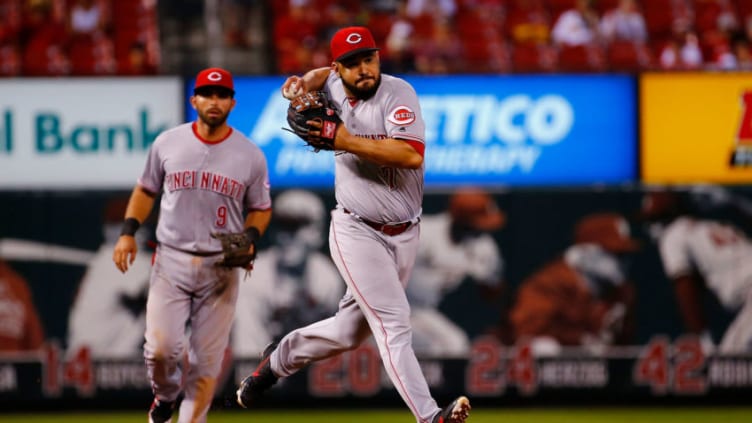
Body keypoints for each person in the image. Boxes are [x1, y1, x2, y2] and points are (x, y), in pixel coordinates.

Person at [236, 26, 471, 423]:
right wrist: (297, 83)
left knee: (349, 332)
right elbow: (313, 79)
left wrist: (341, 138)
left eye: (368, 58)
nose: (362, 69)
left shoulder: (399, 93)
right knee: (394, 323)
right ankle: (431, 417)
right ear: (338, 69)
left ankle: (277, 361)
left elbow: (410, 155)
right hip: (355, 230)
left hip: (405, 232)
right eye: (351, 63)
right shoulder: (331, 82)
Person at [112, 67, 272, 423]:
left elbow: (261, 209)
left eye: (221, 95)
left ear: (232, 102)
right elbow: (145, 190)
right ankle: (166, 397)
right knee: (160, 352)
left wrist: (250, 238)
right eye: (207, 94)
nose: (214, 101)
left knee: (206, 364)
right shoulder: (168, 142)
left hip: (222, 266)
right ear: (193, 99)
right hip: (171, 260)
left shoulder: (250, 154)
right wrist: (127, 232)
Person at [639, 187, 752, 353]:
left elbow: (685, 288)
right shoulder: (712, 225)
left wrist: (702, 339)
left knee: (727, 369)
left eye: (653, 219)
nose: (650, 227)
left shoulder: (673, 235)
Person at [232, 189, 343, 357]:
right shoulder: (252, 276)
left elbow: (332, 346)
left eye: (299, 226)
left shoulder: (327, 279)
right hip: (264, 369)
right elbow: (249, 354)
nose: (289, 236)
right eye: (284, 226)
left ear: (318, 233)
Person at [509, 213, 638, 355]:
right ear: (586, 252)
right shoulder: (548, 283)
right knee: (544, 348)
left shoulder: (622, 292)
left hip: (596, 368)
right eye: (615, 253)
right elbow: (526, 333)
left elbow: (622, 347)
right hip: (552, 368)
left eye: (624, 255)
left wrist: (614, 333)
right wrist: (581, 339)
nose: (621, 262)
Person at [407, 188, 505, 358]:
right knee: (441, 347)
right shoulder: (421, 233)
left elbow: (493, 291)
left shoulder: (483, 247)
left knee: (455, 346)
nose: (482, 229)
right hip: (389, 307)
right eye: (477, 223)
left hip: (422, 310)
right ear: (460, 220)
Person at [67, 197, 152, 359]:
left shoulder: (103, 261)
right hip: (93, 366)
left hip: (98, 364)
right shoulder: (117, 260)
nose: (145, 229)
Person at [0, 258, 45, 352]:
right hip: (14, 362)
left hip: (14, 361)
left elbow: (34, 340)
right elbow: (35, 343)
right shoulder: (18, 285)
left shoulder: (18, 285)